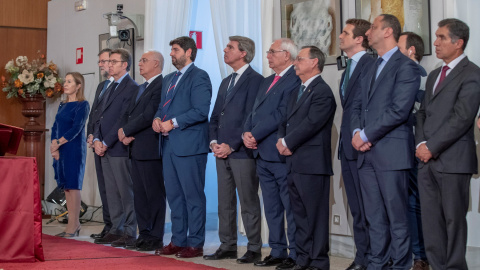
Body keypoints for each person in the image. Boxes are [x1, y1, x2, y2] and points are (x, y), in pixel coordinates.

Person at [351, 14, 420, 269]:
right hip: (365, 154)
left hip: (391, 152)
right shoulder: (369, 65)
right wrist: (356, 132)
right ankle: (377, 263)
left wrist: (366, 136)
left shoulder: (406, 67)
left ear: (388, 32)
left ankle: (401, 265)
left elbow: (399, 110)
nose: (368, 33)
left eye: (373, 28)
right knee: (374, 217)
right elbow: (357, 105)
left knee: (397, 217)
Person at [415, 18, 480, 270]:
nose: (435, 43)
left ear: (458, 42)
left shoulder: (473, 74)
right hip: (426, 160)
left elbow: (462, 118)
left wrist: (432, 146)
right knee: (431, 221)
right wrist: (421, 143)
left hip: (453, 160)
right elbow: (422, 113)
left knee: (454, 221)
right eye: (436, 36)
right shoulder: (433, 75)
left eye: (441, 37)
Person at [277, 46, 336, 270]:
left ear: (314, 62)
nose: (295, 63)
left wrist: (287, 142)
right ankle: (302, 258)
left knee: (315, 216)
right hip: (293, 162)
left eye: (300, 59)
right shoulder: (295, 91)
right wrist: (281, 139)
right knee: (299, 215)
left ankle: (319, 261)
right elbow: (285, 120)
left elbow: (312, 124)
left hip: (312, 164)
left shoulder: (322, 91)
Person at [204, 36, 263, 263]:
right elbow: (215, 117)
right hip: (221, 151)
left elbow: (251, 117)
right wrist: (214, 143)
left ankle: (254, 247)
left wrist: (233, 145)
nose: (225, 50)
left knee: (248, 202)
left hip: (242, 153)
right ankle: (227, 245)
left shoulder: (256, 80)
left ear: (243, 54)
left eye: (230, 47)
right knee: (224, 202)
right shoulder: (226, 81)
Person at [153, 36, 212, 258]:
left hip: (190, 146)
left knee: (193, 196)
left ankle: (195, 243)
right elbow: (161, 107)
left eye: (175, 50)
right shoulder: (168, 79)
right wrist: (157, 119)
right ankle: (178, 240)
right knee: (175, 196)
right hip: (168, 145)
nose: (171, 54)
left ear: (188, 52)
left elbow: (200, 111)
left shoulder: (200, 77)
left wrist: (173, 122)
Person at [243, 38, 300, 270]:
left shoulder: (295, 78)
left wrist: (254, 134)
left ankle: (295, 253)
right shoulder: (267, 80)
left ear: (286, 55)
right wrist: (246, 132)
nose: (267, 56)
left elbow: (281, 114)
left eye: (272, 52)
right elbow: (253, 111)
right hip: (260, 153)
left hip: (278, 151)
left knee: (290, 206)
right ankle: (277, 250)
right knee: (272, 206)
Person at [117, 50, 166, 251]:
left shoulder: (160, 84)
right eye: (140, 60)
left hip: (150, 147)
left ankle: (155, 236)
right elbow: (128, 112)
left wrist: (127, 130)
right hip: (135, 147)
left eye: (144, 60)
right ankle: (144, 233)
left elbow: (149, 115)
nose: (140, 63)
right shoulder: (141, 87)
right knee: (140, 194)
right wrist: (122, 131)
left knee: (153, 194)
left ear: (156, 64)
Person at [93, 48, 138, 248]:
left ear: (125, 64)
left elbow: (123, 118)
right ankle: (115, 229)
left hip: (117, 146)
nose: (109, 65)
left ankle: (130, 230)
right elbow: (99, 115)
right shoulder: (109, 86)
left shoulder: (131, 87)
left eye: (114, 61)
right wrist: (95, 138)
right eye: (108, 61)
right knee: (111, 191)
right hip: (103, 146)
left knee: (125, 191)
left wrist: (105, 141)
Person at [338, 18, 373, 270]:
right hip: (347, 147)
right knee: (357, 210)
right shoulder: (347, 67)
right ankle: (362, 257)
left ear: (359, 38)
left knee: (371, 209)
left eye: (345, 32)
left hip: (365, 148)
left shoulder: (371, 64)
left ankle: (376, 258)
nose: (340, 36)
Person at [398, 31, 429, 270]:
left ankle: (421, 256)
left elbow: (418, 115)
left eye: (397, 46)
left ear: (411, 51)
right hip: (399, 149)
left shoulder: (419, 76)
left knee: (416, 203)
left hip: (416, 149)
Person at [50, 72, 90, 237]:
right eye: (65, 81)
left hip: (74, 148)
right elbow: (55, 127)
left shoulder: (83, 104)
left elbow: (77, 128)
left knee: (73, 185)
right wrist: (54, 145)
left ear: (78, 86)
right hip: (61, 147)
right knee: (66, 187)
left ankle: (74, 225)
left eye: (69, 81)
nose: (65, 84)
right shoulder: (62, 105)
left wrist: (58, 142)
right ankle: (73, 223)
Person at [86, 48, 113, 240]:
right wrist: (91, 135)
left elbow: (118, 118)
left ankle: (116, 228)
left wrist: (103, 140)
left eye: (104, 61)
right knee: (103, 188)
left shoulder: (125, 86)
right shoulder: (101, 85)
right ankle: (108, 225)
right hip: (97, 142)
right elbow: (94, 114)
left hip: (111, 145)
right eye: (100, 61)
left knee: (114, 190)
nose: (101, 65)